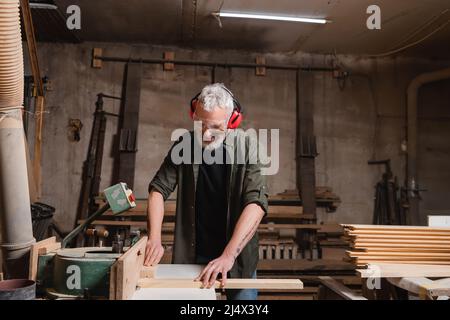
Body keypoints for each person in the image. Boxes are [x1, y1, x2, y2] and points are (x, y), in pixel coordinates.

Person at [144, 83, 268, 300]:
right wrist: (154, 237)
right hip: (194, 253)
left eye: (215, 127)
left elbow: (256, 204)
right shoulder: (185, 145)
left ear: (232, 122)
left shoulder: (248, 146)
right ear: (194, 114)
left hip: (236, 257)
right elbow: (158, 189)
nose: (207, 134)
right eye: (200, 124)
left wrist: (228, 255)